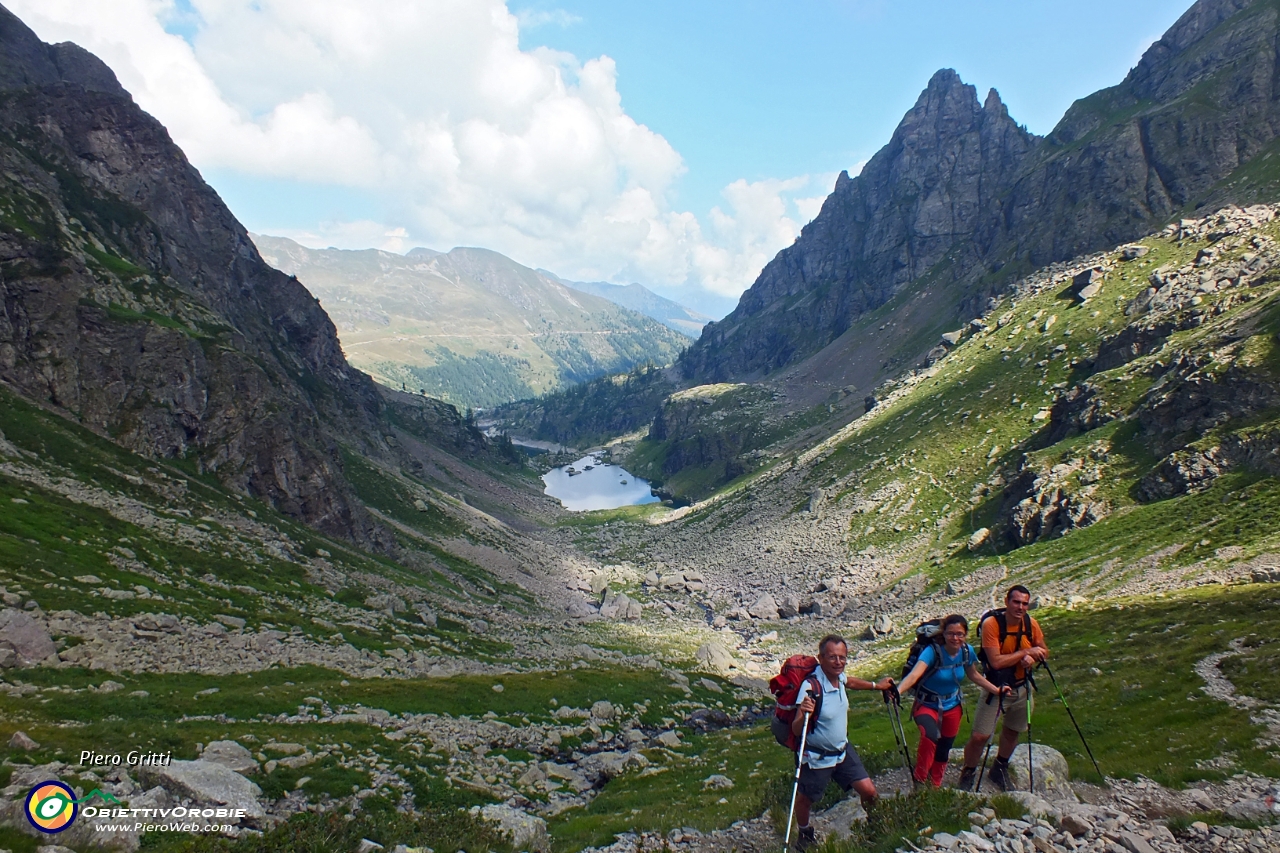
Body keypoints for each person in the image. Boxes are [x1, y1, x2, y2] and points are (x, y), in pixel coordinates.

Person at [791, 634, 894, 851]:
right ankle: (804, 833)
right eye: (832, 657)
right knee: (805, 799)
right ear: (821, 658)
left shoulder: (839, 677)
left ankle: (875, 825)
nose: (838, 662)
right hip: (818, 756)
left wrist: (877, 685)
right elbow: (796, 729)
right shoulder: (811, 687)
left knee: (869, 792)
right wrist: (803, 713)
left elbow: (851, 681)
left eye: (842, 657)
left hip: (842, 751)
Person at [894, 614, 1011, 787]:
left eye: (959, 634)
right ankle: (920, 781)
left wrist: (996, 690)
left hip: (953, 705)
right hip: (926, 704)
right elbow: (914, 675)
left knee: (945, 746)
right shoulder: (932, 651)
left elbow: (973, 674)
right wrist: (896, 692)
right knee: (930, 737)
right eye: (950, 634)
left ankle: (935, 784)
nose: (955, 638)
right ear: (944, 633)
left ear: (965, 635)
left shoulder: (966, 651)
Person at [957, 585, 1049, 791]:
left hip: (1022, 686)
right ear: (1007, 602)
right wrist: (1028, 651)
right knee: (980, 735)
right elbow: (996, 661)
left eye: (1025, 603)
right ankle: (968, 771)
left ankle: (1000, 768)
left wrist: (1033, 657)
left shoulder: (1031, 624)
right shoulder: (992, 624)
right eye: (1016, 602)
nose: (1021, 607)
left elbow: (1044, 650)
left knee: (1013, 730)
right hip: (995, 688)